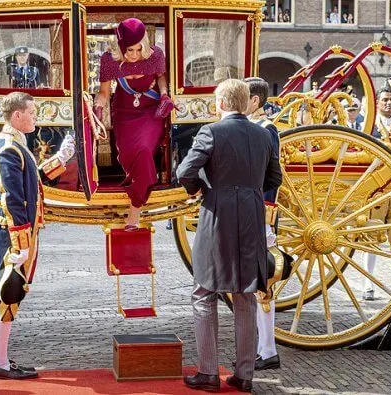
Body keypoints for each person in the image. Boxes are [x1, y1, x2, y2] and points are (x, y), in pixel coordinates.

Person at [177, 79, 282, 392]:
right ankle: (245, 375)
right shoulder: (263, 134)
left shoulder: (212, 131)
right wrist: (248, 190)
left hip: (218, 214)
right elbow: (275, 176)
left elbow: (185, 171)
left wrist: (202, 191)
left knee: (204, 291)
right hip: (251, 213)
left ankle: (209, 372)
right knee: (245, 294)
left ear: (219, 104)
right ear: (246, 102)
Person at [0, 92, 75, 379]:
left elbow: (32, 177)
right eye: (32, 112)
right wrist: (21, 243)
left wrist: (61, 157)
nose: (36, 117)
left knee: (4, 297)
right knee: (9, 294)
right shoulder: (8, 148)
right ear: (17, 116)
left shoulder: (15, 144)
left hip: (15, 233)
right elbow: (11, 197)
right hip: (12, 235)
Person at [94, 18, 175, 230]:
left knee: (144, 150)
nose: (135, 54)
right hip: (124, 111)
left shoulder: (155, 55)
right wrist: (98, 108)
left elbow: (161, 78)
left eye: (139, 49)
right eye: (130, 50)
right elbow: (104, 93)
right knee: (127, 153)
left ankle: (135, 209)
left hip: (150, 110)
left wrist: (165, 95)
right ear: (121, 46)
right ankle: (141, 181)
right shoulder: (109, 60)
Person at [244, 77, 281, 371]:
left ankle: (268, 350)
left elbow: (270, 178)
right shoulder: (256, 128)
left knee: (263, 285)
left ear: (255, 101)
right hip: (253, 212)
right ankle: (261, 347)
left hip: (261, 217)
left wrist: (264, 217)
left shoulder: (266, 131)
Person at [362, 87, 391, 300]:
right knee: (371, 238)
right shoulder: (369, 126)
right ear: (377, 103)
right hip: (375, 189)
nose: (388, 103)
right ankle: (368, 284)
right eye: (384, 100)